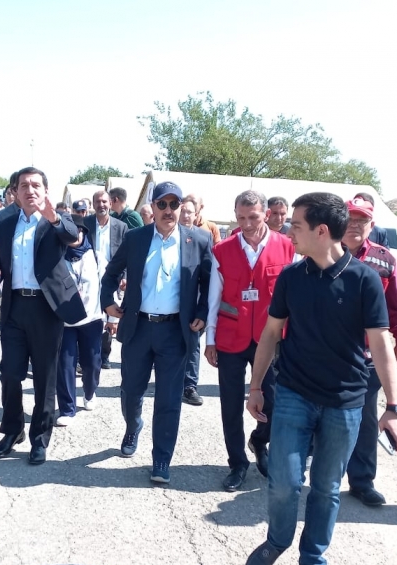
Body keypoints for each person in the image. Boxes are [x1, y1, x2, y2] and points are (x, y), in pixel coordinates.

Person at [241, 192, 397, 565]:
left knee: (326, 488)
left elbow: (381, 344)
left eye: (295, 225)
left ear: (321, 230)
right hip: (295, 394)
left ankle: (312, 563)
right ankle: (277, 541)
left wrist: (394, 406)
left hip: (346, 402)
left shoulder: (364, 280)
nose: (289, 230)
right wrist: (256, 385)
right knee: (283, 481)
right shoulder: (292, 279)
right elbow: (269, 334)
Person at [100, 182, 212, 484]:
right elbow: (112, 272)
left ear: (181, 208)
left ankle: (162, 459)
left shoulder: (198, 240)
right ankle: (132, 426)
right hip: (139, 328)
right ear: (154, 207)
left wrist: (202, 314)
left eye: (174, 205)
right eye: (162, 204)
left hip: (175, 332)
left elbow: (208, 282)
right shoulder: (136, 238)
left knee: (169, 399)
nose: (167, 211)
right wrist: (108, 301)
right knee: (131, 391)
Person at [0, 167, 86, 465]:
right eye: (23, 186)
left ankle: (39, 438)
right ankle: (12, 430)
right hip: (15, 306)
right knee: (10, 373)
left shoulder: (56, 220)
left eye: (35, 186)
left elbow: (72, 236)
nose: (30, 190)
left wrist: (53, 215)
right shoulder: (4, 224)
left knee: (45, 377)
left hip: (46, 308)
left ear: (45, 191)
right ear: (14, 192)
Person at [203, 190, 294, 490]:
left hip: (269, 339)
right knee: (230, 405)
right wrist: (210, 339)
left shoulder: (287, 248)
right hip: (231, 338)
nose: (246, 224)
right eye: (240, 218)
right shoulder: (223, 250)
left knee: (273, 400)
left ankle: (259, 441)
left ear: (266, 214)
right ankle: (237, 463)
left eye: (252, 217)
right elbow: (214, 298)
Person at [341, 197, 397, 506]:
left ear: (372, 225)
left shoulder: (385, 261)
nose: (355, 225)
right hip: (326, 354)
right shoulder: (321, 253)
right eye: (350, 218)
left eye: (362, 220)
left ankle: (361, 481)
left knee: (366, 420)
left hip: (367, 358)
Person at [56, 220, 104, 426]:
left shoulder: (96, 257)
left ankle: (90, 391)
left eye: (78, 231)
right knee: (65, 365)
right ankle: (67, 408)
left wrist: (111, 318)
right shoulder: (57, 257)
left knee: (91, 363)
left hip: (91, 319)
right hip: (65, 321)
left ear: (84, 233)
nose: (74, 236)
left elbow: (107, 288)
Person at [86, 190, 127, 370]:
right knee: (90, 316)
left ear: (110, 203)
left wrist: (125, 277)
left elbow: (126, 255)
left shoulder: (121, 226)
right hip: (88, 278)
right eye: (97, 202)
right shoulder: (85, 223)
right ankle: (87, 354)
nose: (101, 205)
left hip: (112, 279)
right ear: (93, 204)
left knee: (111, 316)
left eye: (104, 202)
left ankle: (104, 354)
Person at [177, 195, 211, 406]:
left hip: (191, 304)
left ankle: (190, 385)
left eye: (190, 211)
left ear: (196, 214)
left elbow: (209, 279)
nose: (186, 215)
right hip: (166, 305)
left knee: (192, 345)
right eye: (183, 211)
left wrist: (203, 311)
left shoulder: (202, 238)